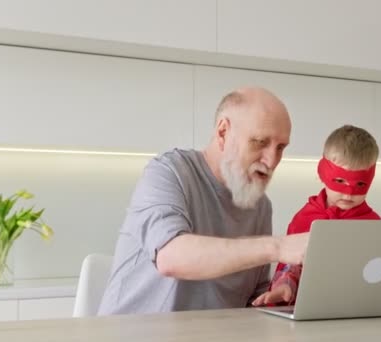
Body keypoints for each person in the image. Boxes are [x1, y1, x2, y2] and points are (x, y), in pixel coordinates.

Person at [97, 87, 309, 315]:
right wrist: (277, 247)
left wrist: (277, 294)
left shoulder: (260, 206)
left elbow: (249, 302)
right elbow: (171, 257)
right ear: (223, 132)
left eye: (280, 148)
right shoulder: (169, 172)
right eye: (259, 142)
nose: (272, 160)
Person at [252, 125, 381, 307]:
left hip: (357, 311)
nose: (348, 194)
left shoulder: (373, 223)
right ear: (323, 173)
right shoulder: (304, 218)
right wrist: (284, 288)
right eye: (340, 180)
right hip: (309, 313)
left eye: (360, 184)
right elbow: (290, 266)